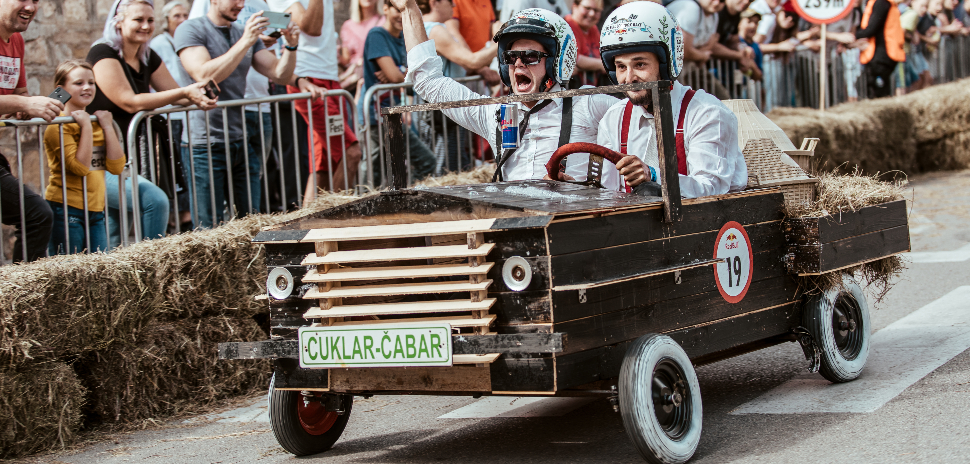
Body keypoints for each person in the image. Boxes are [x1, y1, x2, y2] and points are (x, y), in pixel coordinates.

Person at [394, 3, 618, 181]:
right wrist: (408, 9)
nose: (518, 64)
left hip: (573, 226)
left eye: (530, 56)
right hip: (515, 226)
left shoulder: (588, 103)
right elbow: (428, 81)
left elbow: (644, 115)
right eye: (510, 57)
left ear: (556, 62)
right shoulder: (494, 114)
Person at [175, 0, 325, 228]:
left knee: (250, 222)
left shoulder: (242, 33)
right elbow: (204, 75)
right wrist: (246, 40)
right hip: (203, 143)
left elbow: (279, 74)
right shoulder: (191, 29)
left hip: (240, 139)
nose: (240, 4)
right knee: (209, 227)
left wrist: (291, 47)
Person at [88, 0, 216, 246]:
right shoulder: (102, 52)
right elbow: (130, 102)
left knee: (115, 230)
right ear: (119, 21)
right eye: (138, 20)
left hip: (127, 156)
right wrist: (187, 92)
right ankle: (152, 264)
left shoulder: (146, 55)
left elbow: (174, 92)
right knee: (154, 201)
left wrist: (199, 93)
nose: (145, 26)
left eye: (150, 20)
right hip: (98, 158)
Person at [596, 1, 747, 197]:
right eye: (621, 67)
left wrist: (652, 175)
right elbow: (607, 191)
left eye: (640, 64)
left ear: (666, 64)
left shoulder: (707, 113)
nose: (629, 78)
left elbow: (711, 189)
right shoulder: (613, 118)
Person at [267, 0, 363, 198]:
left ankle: (307, 220)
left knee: (323, 164)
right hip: (307, 83)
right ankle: (335, 219)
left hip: (330, 81)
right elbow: (312, 28)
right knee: (351, 152)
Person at [44, 60, 126, 254]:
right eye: (79, 83)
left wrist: (106, 126)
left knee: (99, 272)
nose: (87, 87)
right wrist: (87, 127)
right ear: (61, 89)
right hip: (66, 209)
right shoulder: (58, 126)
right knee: (69, 271)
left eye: (91, 82)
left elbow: (116, 167)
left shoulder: (99, 122)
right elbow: (80, 168)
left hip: (96, 210)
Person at [0, 0, 59, 262]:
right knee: (37, 213)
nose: (30, 7)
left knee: (37, 214)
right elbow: (21, 99)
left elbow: (19, 93)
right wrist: (25, 103)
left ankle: (21, 299)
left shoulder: (16, 42)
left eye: (35, 0)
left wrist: (27, 105)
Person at [360, 0, 436, 183]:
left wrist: (401, 73)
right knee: (375, 173)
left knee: (378, 173)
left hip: (392, 113)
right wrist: (402, 73)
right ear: (385, 8)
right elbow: (395, 76)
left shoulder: (402, 36)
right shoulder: (377, 34)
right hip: (378, 115)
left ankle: (405, 202)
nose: (400, 13)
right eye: (396, 8)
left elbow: (405, 75)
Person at [417, 0, 497, 172]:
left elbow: (470, 64)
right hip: (442, 108)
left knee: (451, 161)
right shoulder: (435, 29)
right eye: (450, 2)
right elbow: (471, 60)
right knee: (444, 165)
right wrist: (500, 41)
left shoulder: (428, 27)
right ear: (434, 3)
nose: (454, 7)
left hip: (442, 105)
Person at [150, 0, 193, 231]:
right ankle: (170, 218)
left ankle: (185, 216)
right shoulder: (159, 43)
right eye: (177, 15)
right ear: (167, 20)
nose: (182, 19)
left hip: (183, 111)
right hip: (169, 114)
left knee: (184, 169)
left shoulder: (188, 40)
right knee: (170, 169)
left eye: (186, 14)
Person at [667, 0, 732, 99]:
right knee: (682, 104)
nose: (717, 3)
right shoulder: (691, 8)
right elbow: (682, 51)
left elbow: (711, 42)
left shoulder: (714, 15)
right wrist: (702, 56)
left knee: (723, 99)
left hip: (690, 66)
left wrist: (698, 54)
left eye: (722, 1)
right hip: (670, 69)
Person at [856, 0, 905, 98]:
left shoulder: (881, 2)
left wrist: (853, 35)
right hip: (885, 54)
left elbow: (872, 28)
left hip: (881, 55)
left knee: (878, 93)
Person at [341, 0, 384, 88]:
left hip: (377, 79)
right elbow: (346, 60)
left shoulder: (384, 21)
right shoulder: (348, 25)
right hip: (354, 80)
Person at [565, 0, 606, 87]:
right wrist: (601, 64)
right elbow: (574, 59)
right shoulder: (566, 26)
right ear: (575, 6)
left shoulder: (593, 29)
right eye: (587, 8)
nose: (592, 14)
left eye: (597, 10)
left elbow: (603, 55)